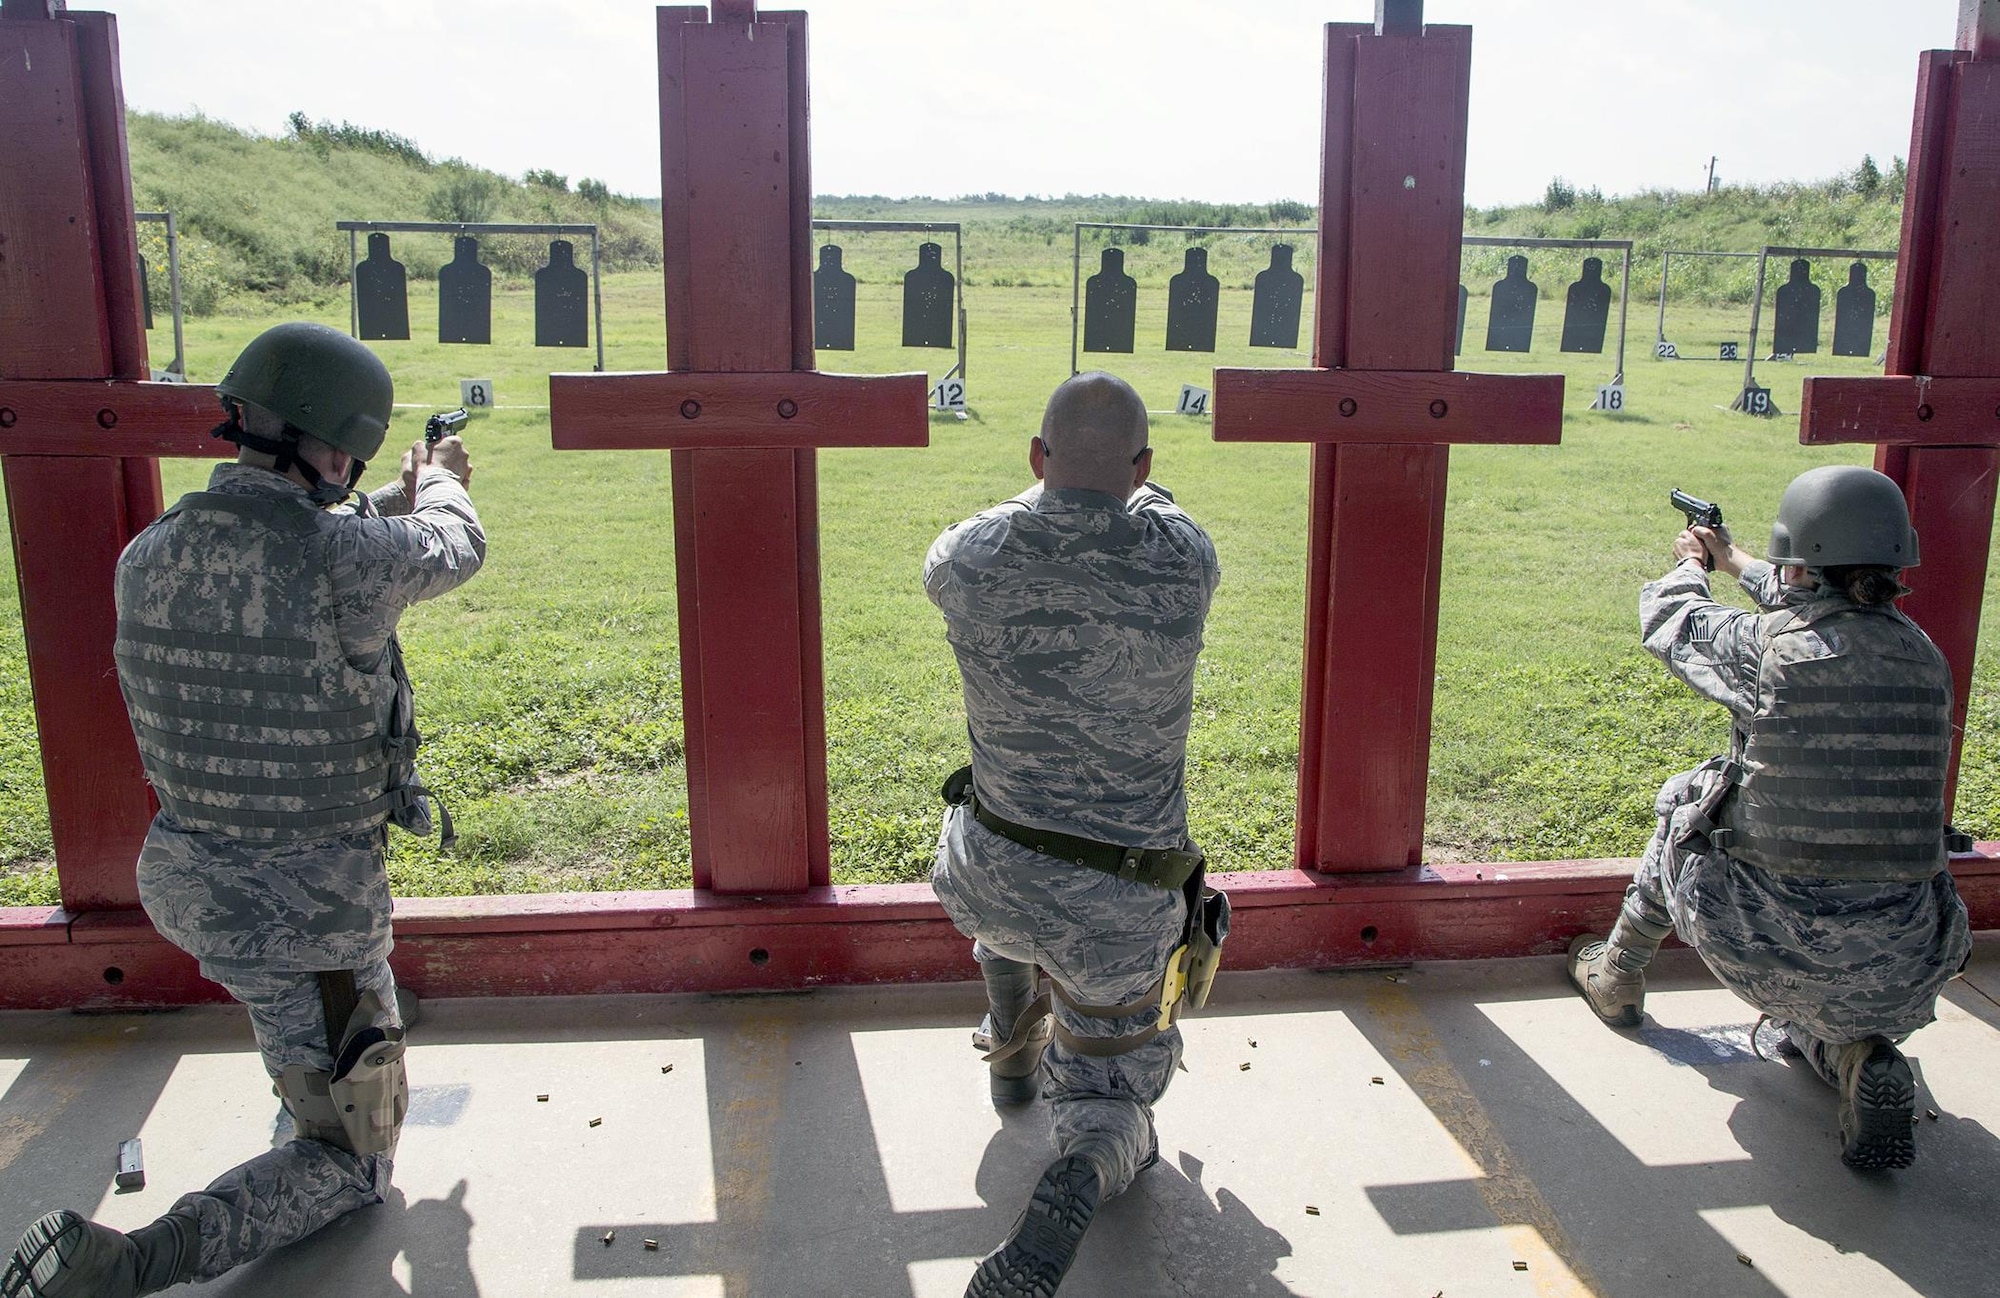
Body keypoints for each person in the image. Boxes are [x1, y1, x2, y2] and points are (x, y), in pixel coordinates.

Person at [3, 322, 485, 1298]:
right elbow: (452, 544)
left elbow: (296, 555)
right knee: (351, 1155)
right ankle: (135, 1261)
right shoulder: (347, 561)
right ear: (337, 446)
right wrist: (440, 478)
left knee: (332, 1031)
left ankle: (332, 1042)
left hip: (186, 873)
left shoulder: (153, 552)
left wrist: (381, 495)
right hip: (305, 915)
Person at [1568, 465, 1971, 1171]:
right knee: (1830, 1004)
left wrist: (1693, 566)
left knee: (1689, 800)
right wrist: (1736, 558)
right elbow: (1824, 607)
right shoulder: (1924, 655)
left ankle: (1619, 973)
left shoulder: (1773, 654)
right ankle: (1857, 1056)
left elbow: (1674, 621)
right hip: (1909, 957)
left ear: (1803, 560)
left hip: (1764, 943)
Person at [926, 372, 1224, 1297]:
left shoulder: (969, 558)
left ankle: (1012, 1038)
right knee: (1112, 1097)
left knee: (1010, 879)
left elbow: (1021, 517)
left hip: (984, 877)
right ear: (1143, 466)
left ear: (1034, 458)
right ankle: (1089, 1158)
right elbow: (1151, 509)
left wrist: (1050, 487)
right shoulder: (1185, 557)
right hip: (1117, 912)